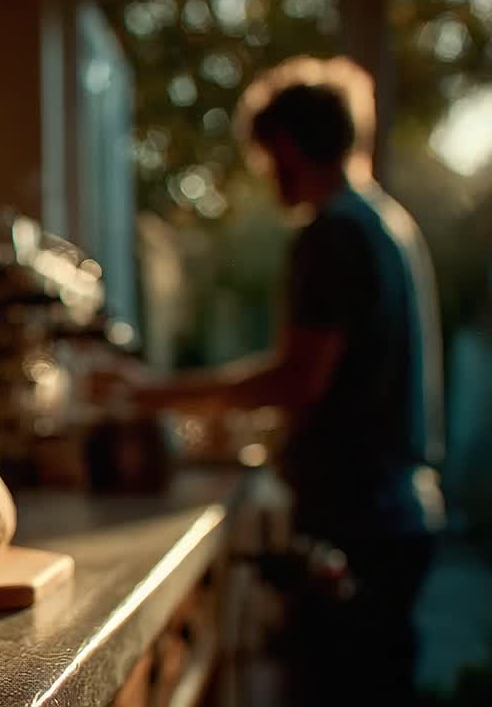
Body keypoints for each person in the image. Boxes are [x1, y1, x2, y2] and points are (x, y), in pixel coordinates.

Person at [107, 70, 442, 703]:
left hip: (357, 516)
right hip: (397, 510)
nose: (265, 172)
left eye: (265, 154)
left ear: (286, 144)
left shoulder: (332, 232)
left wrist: (153, 393)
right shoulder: (384, 221)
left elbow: (297, 380)